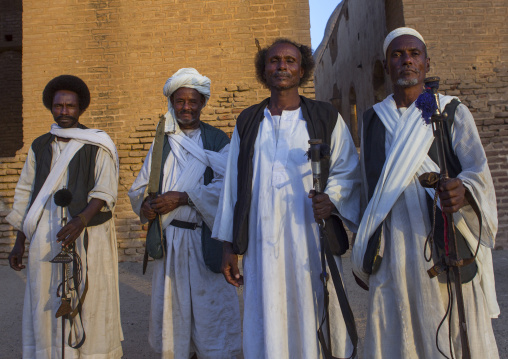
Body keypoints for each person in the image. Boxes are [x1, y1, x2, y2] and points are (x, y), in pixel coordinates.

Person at [352, 27, 500, 358]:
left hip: (446, 236)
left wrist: (463, 190)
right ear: (387, 65)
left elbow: (477, 170)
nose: (406, 60)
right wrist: (365, 242)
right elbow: (367, 186)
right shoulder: (373, 119)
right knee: (399, 322)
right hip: (395, 245)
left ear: (426, 63)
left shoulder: (450, 111)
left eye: (414, 54)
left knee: (456, 326)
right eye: (397, 55)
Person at [214, 39, 361, 358]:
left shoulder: (326, 116)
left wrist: (332, 199)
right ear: (263, 70)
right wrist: (229, 246)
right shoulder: (248, 121)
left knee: (317, 312)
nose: (282, 66)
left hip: (312, 240)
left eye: (290, 61)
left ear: (303, 69)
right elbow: (233, 188)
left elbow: (348, 169)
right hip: (262, 245)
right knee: (268, 319)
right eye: (274, 60)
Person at [128, 68, 242, 359]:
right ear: (172, 103)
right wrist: (145, 204)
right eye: (180, 101)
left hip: (206, 238)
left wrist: (183, 197)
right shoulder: (161, 142)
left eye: (193, 101)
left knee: (211, 315)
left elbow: (228, 187)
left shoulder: (219, 141)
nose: (187, 107)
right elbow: (140, 186)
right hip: (172, 242)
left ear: (203, 103)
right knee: (174, 313)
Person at [7, 75, 123, 358]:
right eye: (58, 106)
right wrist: (19, 242)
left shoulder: (97, 143)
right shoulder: (39, 146)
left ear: (80, 108)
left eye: (70, 106)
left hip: (89, 235)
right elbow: (26, 195)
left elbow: (105, 190)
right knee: (46, 299)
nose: (64, 112)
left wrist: (80, 221)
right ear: (51, 107)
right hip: (46, 238)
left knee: (92, 299)